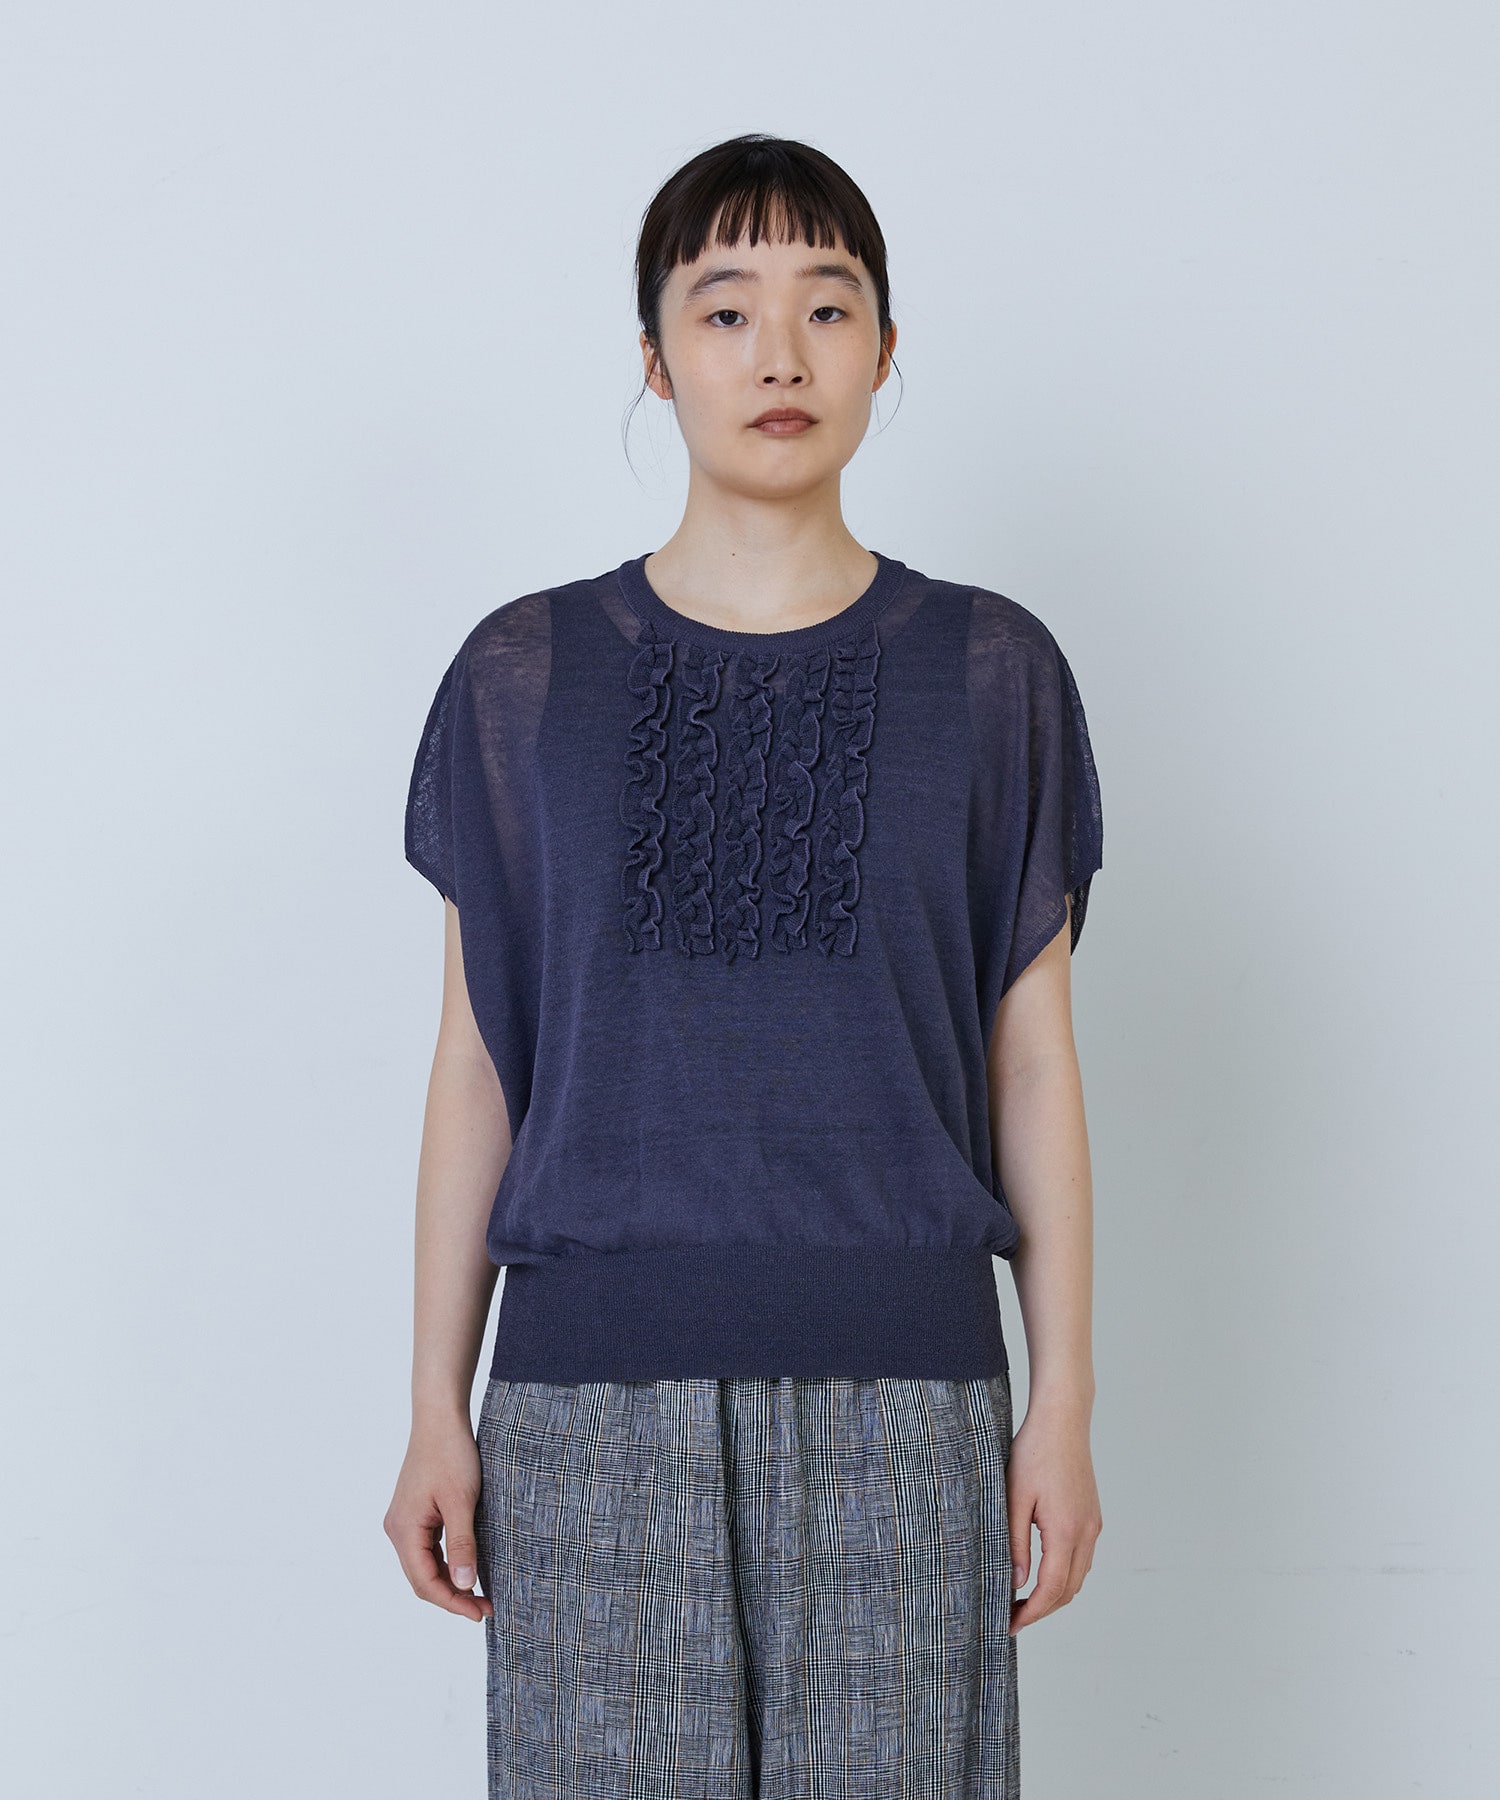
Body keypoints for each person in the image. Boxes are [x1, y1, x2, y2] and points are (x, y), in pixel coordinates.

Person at [384, 132, 1105, 1799]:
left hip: (908, 1401)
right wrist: (434, 1402)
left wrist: (1061, 1402)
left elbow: (1033, 1056)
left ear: (884, 349)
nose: (780, 354)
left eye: (827, 308)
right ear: (655, 357)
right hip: (583, 1405)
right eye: (724, 311)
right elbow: (478, 1057)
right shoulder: (523, 677)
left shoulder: (992, 673)